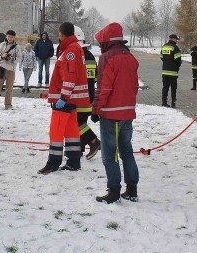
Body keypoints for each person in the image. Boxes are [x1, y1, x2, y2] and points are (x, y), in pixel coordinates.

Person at [92, 22, 140, 204]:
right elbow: (134, 86)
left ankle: (113, 191)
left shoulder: (106, 58)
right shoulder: (130, 57)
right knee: (127, 150)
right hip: (127, 113)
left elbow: (103, 87)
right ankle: (132, 189)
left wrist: (96, 110)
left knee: (109, 153)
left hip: (110, 113)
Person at [38, 22, 89, 174]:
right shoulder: (73, 48)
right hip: (71, 99)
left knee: (56, 130)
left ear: (61, 33)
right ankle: (73, 161)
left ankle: (53, 163)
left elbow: (70, 76)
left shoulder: (70, 51)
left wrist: (63, 97)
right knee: (71, 130)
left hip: (65, 99)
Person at [74, 27, 102, 160]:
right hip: (90, 95)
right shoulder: (90, 56)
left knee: (76, 123)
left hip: (79, 97)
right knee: (81, 123)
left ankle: (94, 142)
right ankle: (78, 151)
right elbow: (95, 78)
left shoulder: (77, 55)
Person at [0, 30, 20, 109]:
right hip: (1, 67)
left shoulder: (17, 47)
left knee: (9, 88)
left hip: (11, 69)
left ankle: (8, 104)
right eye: (8, 36)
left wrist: (12, 58)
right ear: (6, 37)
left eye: (11, 37)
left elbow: (20, 58)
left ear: (14, 37)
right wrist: (1, 56)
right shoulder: (2, 45)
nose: (10, 38)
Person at [160, 33, 182, 108]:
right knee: (173, 88)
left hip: (165, 71)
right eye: (176, 39)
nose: (177, 41)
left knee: (165, 87)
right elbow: (178, 60)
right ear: (173, 39)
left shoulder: (164, 47)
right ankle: (173, 103)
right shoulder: (175, 47)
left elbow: (161, 57)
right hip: (173, 72)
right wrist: (177, 67)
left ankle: (164, 102)